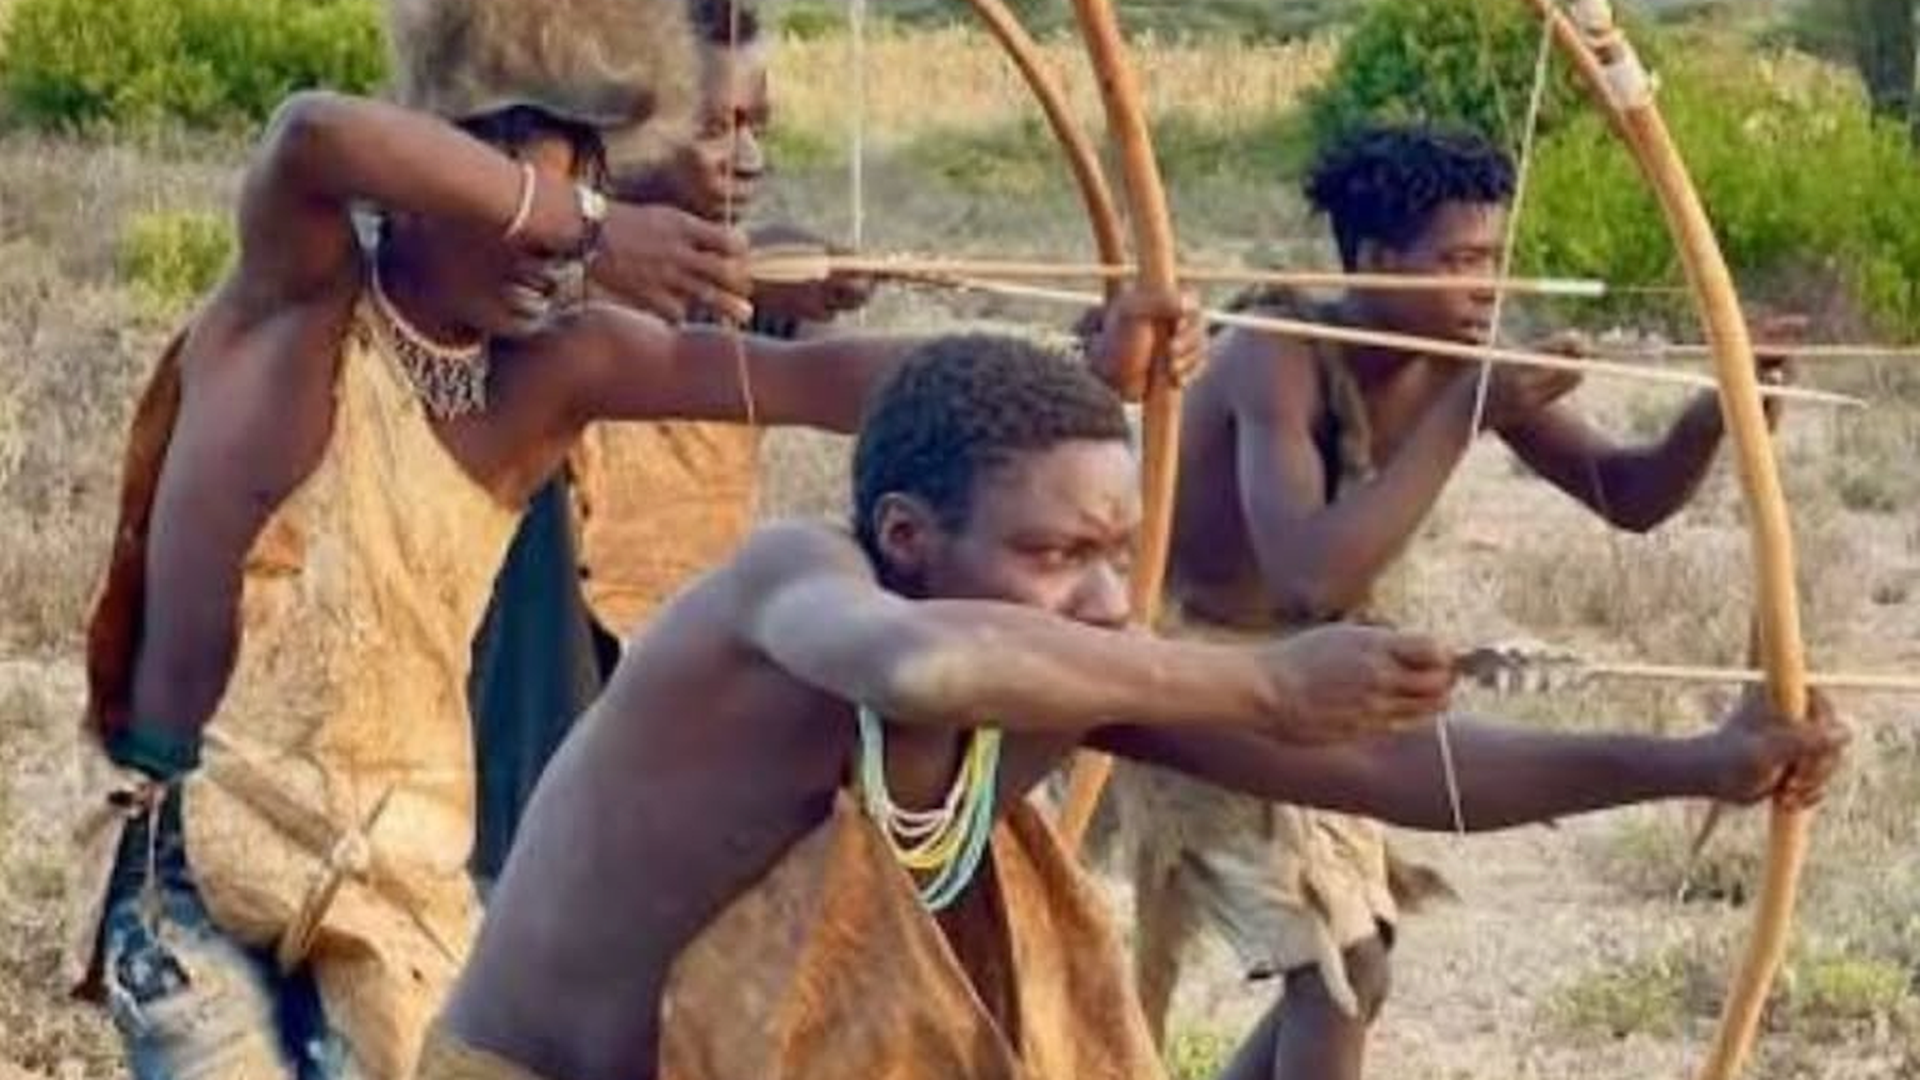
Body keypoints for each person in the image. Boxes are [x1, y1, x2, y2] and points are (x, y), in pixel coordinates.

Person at [420, 335, 1843, 1080]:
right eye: (1056, 555)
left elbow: (1402, 770)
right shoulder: (794, 588)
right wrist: (1257, 675)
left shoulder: (1077, 672)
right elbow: (916, 670)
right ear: (910, 536)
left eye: (1118, 551)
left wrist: (1690, 765)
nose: (1107, 598)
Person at [1111, 122, 1799, 1080]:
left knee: (1358, 968)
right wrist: (1467, 411)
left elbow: (1628, 495)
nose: (1490, 284)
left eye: (1496, 258)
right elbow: (1313, 574)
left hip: (1307, 670)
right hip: (1184, 667)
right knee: (1338, 969)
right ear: (1379, 262)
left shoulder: (1453, 354)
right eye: (1461, 260)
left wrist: (1714, 416)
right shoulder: (1281, 350)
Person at [466, 0, 878, 890]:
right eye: (715, 130)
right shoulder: (501, 284)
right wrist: (591, 243)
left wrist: (1088, 362)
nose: (751, 157)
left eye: (758, 127)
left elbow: (838, 373)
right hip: (518, 747)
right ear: (628, 131)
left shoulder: (739, 285)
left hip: (666, 742)